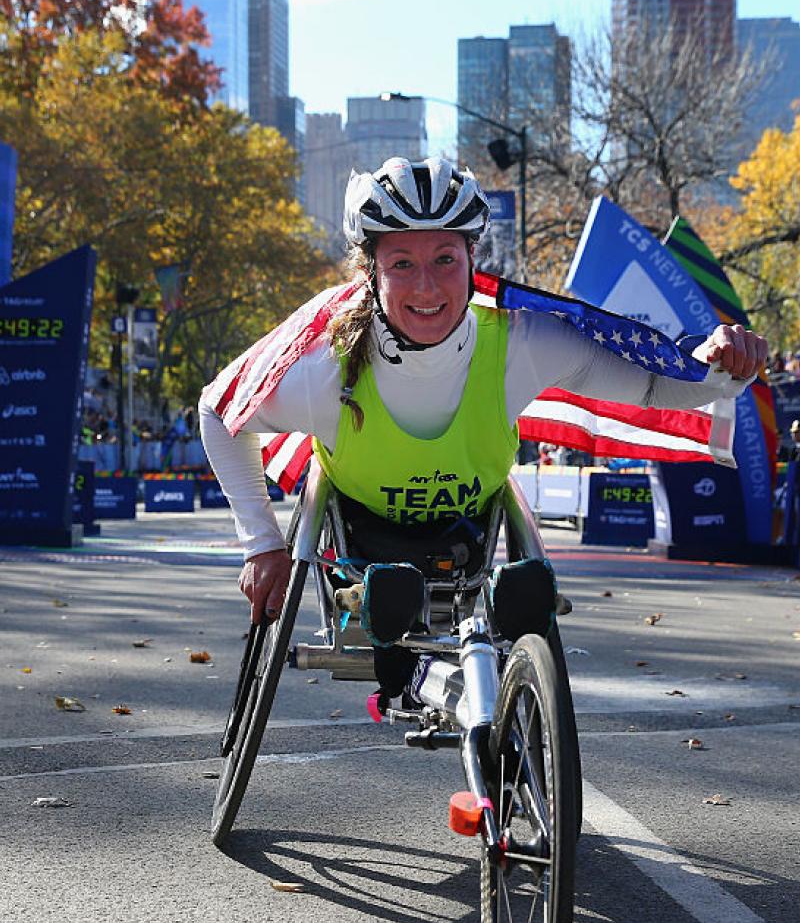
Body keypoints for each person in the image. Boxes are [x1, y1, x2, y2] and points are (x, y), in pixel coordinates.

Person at [199, 156, 768, 624]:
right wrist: (262, 543)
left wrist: (723, 370)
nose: (426, 286)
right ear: (370, 274)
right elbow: (218, 411)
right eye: (402, 263)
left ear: (474, 262)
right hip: (360, 544)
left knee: (525, 596)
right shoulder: (323, 363)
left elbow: (650, 386)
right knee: (387, 601)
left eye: (445, 258)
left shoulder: (522, 342)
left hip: (467, 538)